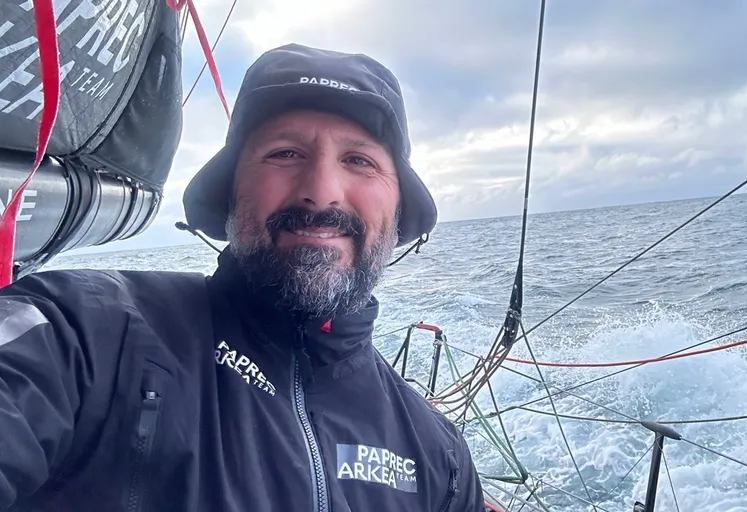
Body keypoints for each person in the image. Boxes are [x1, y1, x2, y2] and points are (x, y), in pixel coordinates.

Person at [0, 43, 486, 511]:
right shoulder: (79, 332)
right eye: (285, 154)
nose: (321, 192)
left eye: (359, 160)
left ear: (399, 209)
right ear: (231, 192)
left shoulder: (439, 459)